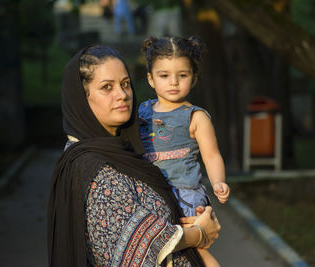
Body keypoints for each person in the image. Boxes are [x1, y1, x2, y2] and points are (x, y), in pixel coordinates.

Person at [47, 44, 222, 266]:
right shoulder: (91, 165)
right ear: (82, 97)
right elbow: (134, 243)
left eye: (125, 84)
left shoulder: (127, 151)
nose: (122, 95)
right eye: (107, 87)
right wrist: (199, 233)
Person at [139, 36, 231, 266]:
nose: (173, 82)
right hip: (151, 192)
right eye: (164, 76)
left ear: (194, 78)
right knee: (163, 252)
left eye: (182, 75)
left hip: (184, 194)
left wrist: (219, 181)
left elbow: (211, 154)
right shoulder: (142, 111)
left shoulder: (195, 116)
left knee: (194, 251)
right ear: (151, 79)